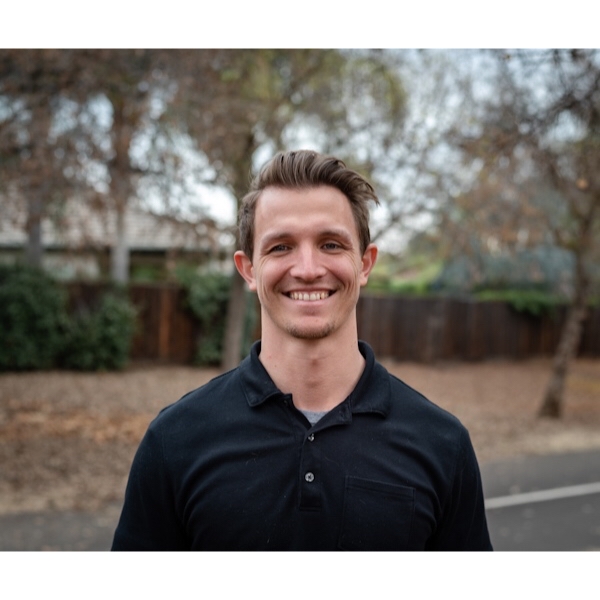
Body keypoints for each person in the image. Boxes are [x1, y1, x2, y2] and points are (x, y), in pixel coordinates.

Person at [112, 150, 492, 551]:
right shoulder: (174, 440)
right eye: (280, 247)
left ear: (365, 264)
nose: (308, 269)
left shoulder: (442, 444)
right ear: (248, 270)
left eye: (330, 244)